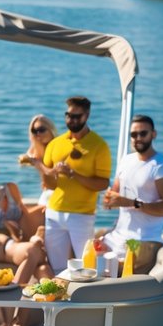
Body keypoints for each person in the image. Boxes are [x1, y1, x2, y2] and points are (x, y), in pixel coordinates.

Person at [0, 155, 53, 299]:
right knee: (37, 259)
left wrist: (47, 209)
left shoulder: (10, 188)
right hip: (5, 239)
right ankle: (14, 300)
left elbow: (24, 211)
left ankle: (56, 307)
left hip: (22, 235)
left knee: (43, 268)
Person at [42, 96, 111, 272]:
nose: (70, 120)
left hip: (82, 215)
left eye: (76, 116)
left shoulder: (99, 146)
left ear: (86, 116)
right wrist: (52, 173)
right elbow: (49, 184)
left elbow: (103, 184)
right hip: (54, 213)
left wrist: (73, 174)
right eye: (68, 115)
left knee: (86, 267)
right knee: (56, 267)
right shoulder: (55, 144)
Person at [100, 114, 163, 258]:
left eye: (143, 133)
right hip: (117, 237)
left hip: (144, 239)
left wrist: (130, 203)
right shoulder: (126, 160)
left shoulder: (161, 166)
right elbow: (115, 194)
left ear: (153, 134)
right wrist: (109, 200)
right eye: (134, 134)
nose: (138, 138)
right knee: (86, 256)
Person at [17, 113, 58, 216]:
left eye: (41, 130)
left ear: (51, 129)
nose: (38, 134)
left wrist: (38, 164)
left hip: (60, 196)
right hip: (49, 194)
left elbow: (54, 178)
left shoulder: (58, 148)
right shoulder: (40, 151)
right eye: (34, 131)